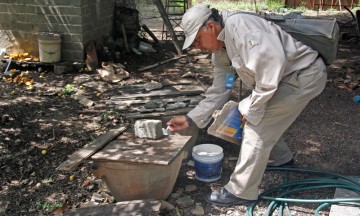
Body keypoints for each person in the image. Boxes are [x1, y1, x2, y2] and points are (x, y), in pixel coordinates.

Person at [166, 4, 327, 207]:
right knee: (259, 115)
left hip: (302, 76)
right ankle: (283, 160)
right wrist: (190, 118)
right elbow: (220, 89)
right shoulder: (220, 50)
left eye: (197, 40)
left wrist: (250, 107)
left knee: (254, 124)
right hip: (283, 80)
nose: (198, 46)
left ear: (209, 26)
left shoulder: (241, 26)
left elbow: (271, 68)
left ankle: (241, 191)